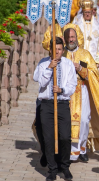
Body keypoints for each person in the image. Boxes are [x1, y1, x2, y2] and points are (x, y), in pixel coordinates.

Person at [63, 28, 99, 161]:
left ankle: (82, 148)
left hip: (82, 89)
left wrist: (80, 68)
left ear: (77, 37)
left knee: (84, 120)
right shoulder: (61, 54)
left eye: (73, 37)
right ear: (65, 39)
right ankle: (70, 150)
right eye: (68, 37)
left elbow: (94, 74)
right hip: (66, 92)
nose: (71, 39)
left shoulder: (85, 54)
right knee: (68, 121)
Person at [34, 37, 77, 181]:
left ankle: (64, 166)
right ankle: (52, 169)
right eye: (54, 50)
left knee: (65, 137)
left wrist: (61, 89)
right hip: (47, 104)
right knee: (49, 138)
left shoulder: (68, 64)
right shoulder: (43, 63)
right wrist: (49, 68)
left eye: (59, 49)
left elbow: (72, 85)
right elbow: (41, 82)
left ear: (63, 50)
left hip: (62, 103)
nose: (57, 52)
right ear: (50, 50)